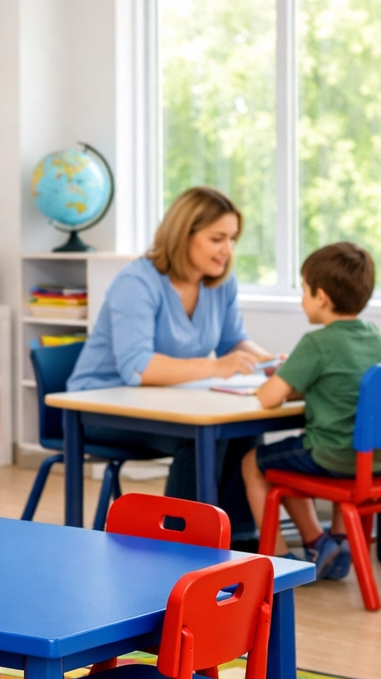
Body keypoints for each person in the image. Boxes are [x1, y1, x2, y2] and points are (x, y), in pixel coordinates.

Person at [67, 186, 278, 534]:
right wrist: (214, 367)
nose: (228, 249)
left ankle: (240, 546)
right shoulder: (137, 282)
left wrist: (267, 361)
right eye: (218, 238)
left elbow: (232, 341)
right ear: (185, 234)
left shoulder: (220, 285)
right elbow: (137, 368)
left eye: (233, 239)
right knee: (198, 437)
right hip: (99, 407)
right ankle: (179, 550)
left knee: (241, 431)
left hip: (161, 401)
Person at [242, 242, 381, 579]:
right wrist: (299, 375)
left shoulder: (316, 343)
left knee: (254, 462)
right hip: (377, 458)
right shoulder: (374, 336)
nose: (302, 300)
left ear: (321, 297)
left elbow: (269, 398)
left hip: (333, 457)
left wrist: (283, 375)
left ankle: (278, 556)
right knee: (291, 455)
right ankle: (333, 542)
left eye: (304, 291)